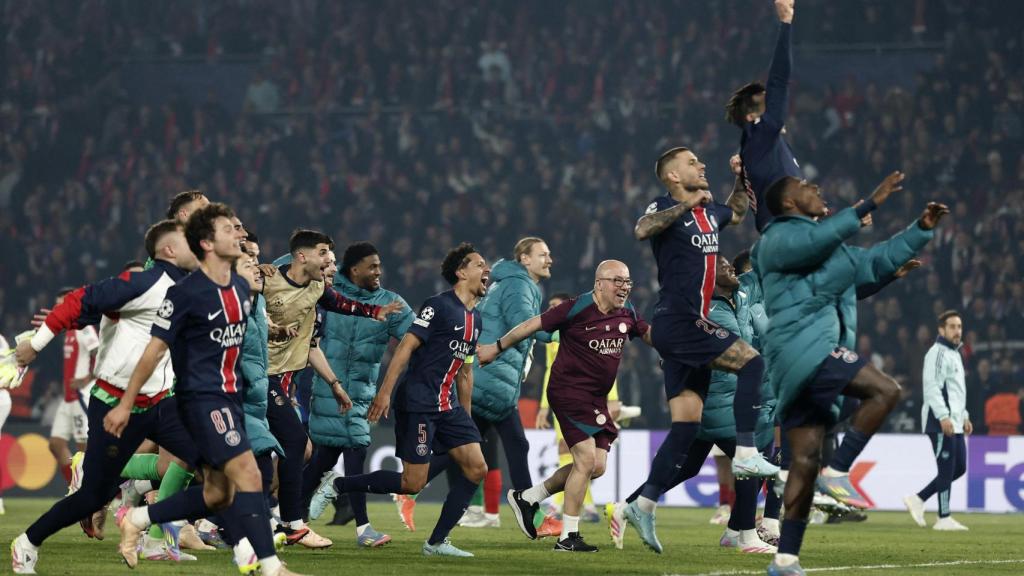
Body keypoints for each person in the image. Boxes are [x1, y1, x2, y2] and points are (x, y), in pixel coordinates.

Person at [753, 173, 948, 576]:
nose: (817, 188)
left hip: (803, 358)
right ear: (789, 203)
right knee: (885, 391)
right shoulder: (775, 239)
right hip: (804, 349)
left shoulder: (829, 250)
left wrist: (920, 230)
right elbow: (812, 243)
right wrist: (865, 204)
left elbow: (873, 261)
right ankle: (840, 469)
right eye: (806, 186)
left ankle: (786, 557)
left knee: (804, 462)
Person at [108, 203, 302, 576]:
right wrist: (126, 403)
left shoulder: (239, 289)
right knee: (249, 474)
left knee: (218, 494)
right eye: (229, 229)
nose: (239, 235)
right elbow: (154, 350)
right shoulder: (186, 293)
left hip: (229, 398)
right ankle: (270, 566)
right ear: (207, 243)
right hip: (200, 400)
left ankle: (136, 517)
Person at [10, 220, 202, 573]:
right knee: (93, 496)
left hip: (162, 401)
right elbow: (77, 301)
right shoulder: (144, 283)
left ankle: (146, 521)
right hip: (117, 405)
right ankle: (27, 542)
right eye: (189, 241)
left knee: (213, 468)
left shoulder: (189, 286)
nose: (198, 246)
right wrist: (35, 345)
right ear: (169, 250)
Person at [622, 146, 774, 554]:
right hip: (679, 320)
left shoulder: (710, 213)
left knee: (687, 428)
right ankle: (744, 453)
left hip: (687, 331)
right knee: (752, 362)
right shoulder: (666, 205)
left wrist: (742, 176)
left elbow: (738, 212)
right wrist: (686, 203)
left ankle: (643, 502)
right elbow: (641, 229)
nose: (702, 165)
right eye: (692, 163)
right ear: (672, 175)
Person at [309, 243, 490, 558]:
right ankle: (340, 486)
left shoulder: (477, 320)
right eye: (480, 265)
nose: (487, 271)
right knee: (411, 483)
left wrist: (467, 422)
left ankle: (436, 543)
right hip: (419, 403)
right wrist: (385, 391)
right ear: (461, 272)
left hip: (448, 407)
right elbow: (405, 347)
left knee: (476, 467)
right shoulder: (438, 306)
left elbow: (464, 372)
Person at [609, 256, 777, 554]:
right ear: (708, 278)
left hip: (725, 399)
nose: (731, 269)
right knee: (748, 461)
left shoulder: (740, 296)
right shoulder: (701, 310)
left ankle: (628, 506)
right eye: (723, 266)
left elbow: (762, 268)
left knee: (686, 467)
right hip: (715, 398)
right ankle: (745, 535)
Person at [485, 260, 652, 552]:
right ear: (599, 283)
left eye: (628, 282)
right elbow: (529, 326)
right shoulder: (575, 308)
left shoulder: (627, 313)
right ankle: (568, 537)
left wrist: (676, 352)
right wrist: (495, 348)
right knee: (585, 461)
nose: (624, 288)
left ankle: (528, 497)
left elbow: (649, 333)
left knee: (595, 467)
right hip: (568, 392)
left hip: (596, 399)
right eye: (618, 281)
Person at [258, 230, 401, 548]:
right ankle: (285, 521)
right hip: (254, 376)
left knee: (298, 450)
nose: (330, 264)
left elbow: (339, 310)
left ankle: (263, 518)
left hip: (284, 382)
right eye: (324, 255)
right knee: (292, 444)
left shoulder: (317, 292)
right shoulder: (265, 280)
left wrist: (335, 384)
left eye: (333, 259)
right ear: (301, 256)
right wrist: (258, 268)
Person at [302, 241, 414, 547]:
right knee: (331, 456)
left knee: (341, 453)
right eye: (372, 266)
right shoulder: (326, 292)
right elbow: (294, 265)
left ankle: (291, 518)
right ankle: (356, 527)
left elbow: (416, 336)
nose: (378, 271)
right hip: (329, 388)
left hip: (362, 394)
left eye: (379, 266)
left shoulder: (390, 302)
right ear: (354, 270)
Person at [465, 237, 559, 536]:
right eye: (542, 255)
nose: (549, 260)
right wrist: (564, 332)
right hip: (492, 379)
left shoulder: (514, 283)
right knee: (506, 445)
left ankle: (528, 508)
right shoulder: (520, 286)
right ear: (524, 259)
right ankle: (528, 506)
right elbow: (526, 325)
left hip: (491, 377)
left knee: (480, 445)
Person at [725, 0, 798, 233]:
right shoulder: (759, 136)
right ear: (750, 116)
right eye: (764, 98)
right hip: (785, 232)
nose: (772, 100)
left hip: (787, 231)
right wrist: (785, 22)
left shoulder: (762, 144)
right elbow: (779, 80)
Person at [904, 310, 972, 531]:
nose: (957, 331)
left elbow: (955, 391)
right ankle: (943, 518)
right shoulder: (937, 353)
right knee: (946, 468)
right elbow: (932, 387)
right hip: (939, 420)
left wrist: (965, 416)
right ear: (941, 330)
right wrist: (943, 416)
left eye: (959, 327)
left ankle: (918, 499)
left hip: (955, 420)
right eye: (952, 327)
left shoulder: (954, 354)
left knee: (959, 467)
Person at [49, 288, 99, 487]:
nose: (58, 309)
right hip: (67, 397)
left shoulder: (84, 328)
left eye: (62, 304)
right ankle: (75, 487)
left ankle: (89, 491)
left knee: (83, 448)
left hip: (80, 396)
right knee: (55, 444)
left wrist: (87, 378)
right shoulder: (68, 330)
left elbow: (99, 353)